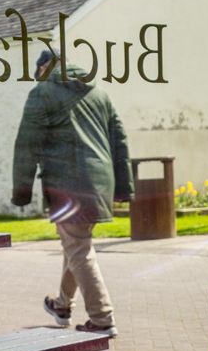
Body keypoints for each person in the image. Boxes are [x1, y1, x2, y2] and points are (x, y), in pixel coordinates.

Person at [11, 48, 130, 335]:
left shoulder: (43, 93)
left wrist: (21, 192)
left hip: (68, 185)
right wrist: (124, 187)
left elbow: (27, 145)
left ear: (44, 68)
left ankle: (102, 318)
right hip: (100, 183)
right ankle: (62, 305)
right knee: (75, 244)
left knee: (78, 248)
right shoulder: (99, 93)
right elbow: (119, 140)